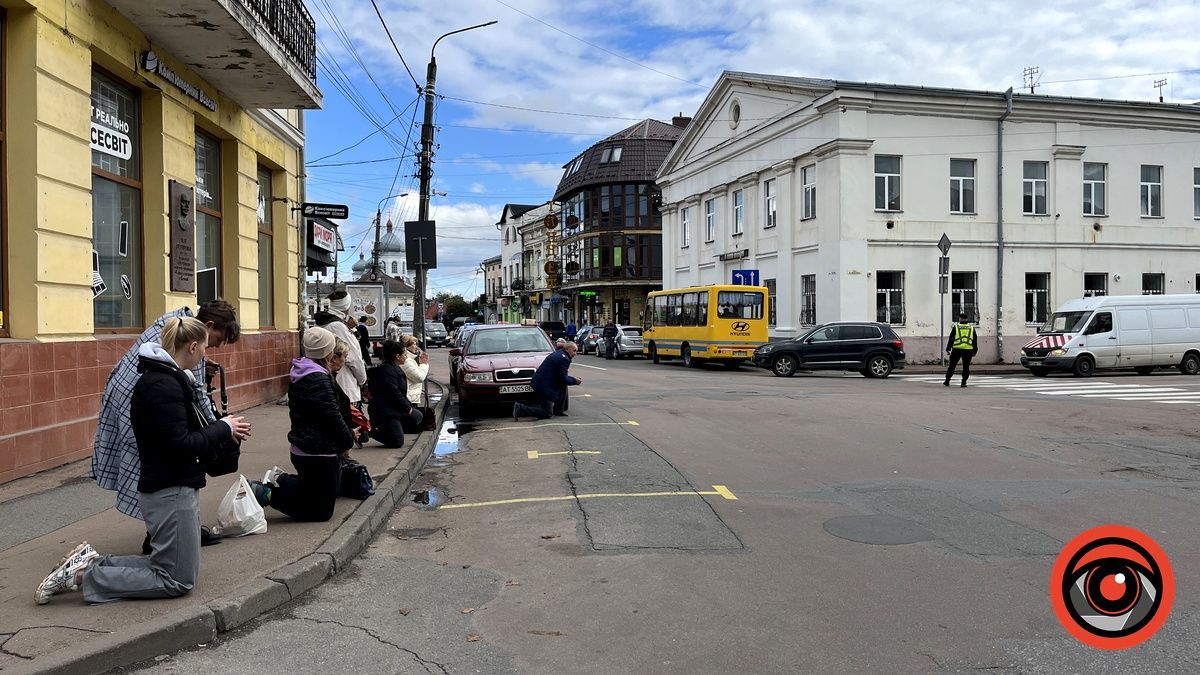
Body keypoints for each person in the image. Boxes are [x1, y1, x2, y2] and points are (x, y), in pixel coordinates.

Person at [37, 317, 251, 605]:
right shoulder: (164, 385)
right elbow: (180, 445)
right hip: (170, 488)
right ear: (192, 346)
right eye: (204, 348)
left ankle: (89, 564)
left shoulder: (165, 379)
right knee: (176, 579)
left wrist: (222, 428)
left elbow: (177, 435)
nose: (206, 354)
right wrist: (223, 428)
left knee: (171, 566)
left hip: (170, 485)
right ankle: (84, 576)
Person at [92, 299, 240, 550]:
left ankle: (173, 530)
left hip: (131, 396)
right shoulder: (187, 341)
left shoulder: (174, 325)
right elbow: (196, 394)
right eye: (216, 339)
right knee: (163, 466)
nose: (215, 347)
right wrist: (222, 427)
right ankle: (161, 535)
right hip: (140, 403)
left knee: (159, 464)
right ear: (207, 326)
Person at [251, 327, 355, 522]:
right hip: (318, 451)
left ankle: (281, 482)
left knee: (319, 494)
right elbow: (332, 416)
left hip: (307, 447)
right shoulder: (318, 379)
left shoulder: (303, 371)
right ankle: (268, 492)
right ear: (328, 353)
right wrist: (347, 441)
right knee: (321, 512)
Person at [312, 291, 367, 406]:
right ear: (346, 306)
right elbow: (353, 358)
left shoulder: (322, 323)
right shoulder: (337, 326)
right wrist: (363, 380)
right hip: (344, 384)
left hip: (328, 378)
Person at [367, 340, 423, 447]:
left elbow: (399, 393)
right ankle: (370, 431)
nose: (406, 357)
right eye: (404, 354)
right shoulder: (387, 371)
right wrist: (408, 409)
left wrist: (409, 408)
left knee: (416, 421)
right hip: (385, 412)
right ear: (397, 356)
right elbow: (394, 393)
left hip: (393, 409)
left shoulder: (394, 368)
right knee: (397, 441)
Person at [514, 340, 582, 420]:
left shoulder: (560, 354)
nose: (575, 353)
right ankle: (520, 409)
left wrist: (571, 379)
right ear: (567, 349)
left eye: (576, 351)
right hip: (544, 387)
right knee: (547, 413)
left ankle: (558, 410)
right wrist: (575, 381)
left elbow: (561, 378)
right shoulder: (564, 359)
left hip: (542, 383)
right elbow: (563, 378)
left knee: (563, 385)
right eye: (574, 351)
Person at [944, 313, 979, 387]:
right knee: (966, 367)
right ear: (967, 319)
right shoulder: (971, 328)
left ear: (960, 319)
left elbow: (951, 338)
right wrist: (975, 350)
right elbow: (974, 340)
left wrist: (948, 348)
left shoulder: (956, 327)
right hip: (968, 350)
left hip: (957, 349)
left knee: (952, 366)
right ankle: (963, 382)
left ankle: (947, 380)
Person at [400, 335, 430, 404]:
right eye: (413, 344)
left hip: (410, 397)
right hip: (409, 398)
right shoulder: (407, 361)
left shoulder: (410, 359)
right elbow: (419, 377)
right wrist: (424, 364)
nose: (416, 347)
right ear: (407, 346)